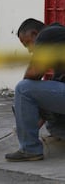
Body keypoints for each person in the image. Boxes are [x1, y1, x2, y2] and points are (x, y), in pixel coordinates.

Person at [5, 18, 65, 162]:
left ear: (34, 33)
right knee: (51, 119)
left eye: (27, 44)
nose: (30, 50)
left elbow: (34, 73)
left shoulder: (46, 35)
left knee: (23, 89)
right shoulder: (59, 36)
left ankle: (30, 149)